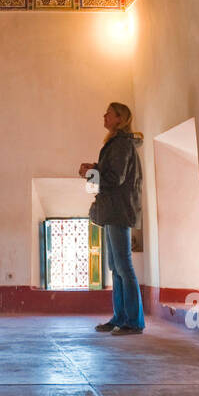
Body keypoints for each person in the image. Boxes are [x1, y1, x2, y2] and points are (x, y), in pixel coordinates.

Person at [79, 102, 145, 335]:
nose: (104, 116)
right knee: (115, 266)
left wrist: (92, 173)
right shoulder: (116, 144)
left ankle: (133, 322)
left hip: (118, 210)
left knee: (123, 266)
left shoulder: (121, 144)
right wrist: (95, 168)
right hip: (112, 209)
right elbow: (112, 173)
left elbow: (115, 178)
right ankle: (120, 317)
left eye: (109, 113)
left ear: (120, 119)